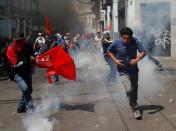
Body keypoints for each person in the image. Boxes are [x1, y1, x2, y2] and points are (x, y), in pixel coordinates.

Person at [108, 27, 146, 119]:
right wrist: (115, 61)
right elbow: (109, 50)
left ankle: (133, 102)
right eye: (124, 38)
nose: (126, 40)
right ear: (121, 37)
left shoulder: (135, 41)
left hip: (134, 70)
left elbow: (143, 52)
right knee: (129, 89)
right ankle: (135, 108)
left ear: (131, 37)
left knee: (134, 88)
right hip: (122, 71)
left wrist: (136, 59)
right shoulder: (117, 42)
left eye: (128, 38)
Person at [6, 33, 35, 113]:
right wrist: (25, 62)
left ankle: (21, 106)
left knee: (30, 90)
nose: (20, 42)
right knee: (25, 89)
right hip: (16, 73)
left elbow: (32, 51)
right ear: (14, 40)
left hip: (26, 70)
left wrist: (36, 55)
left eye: (21, 40)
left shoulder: (26, 44)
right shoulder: (11, 48)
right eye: (18, 40)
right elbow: (14, 64)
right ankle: (31, 109)